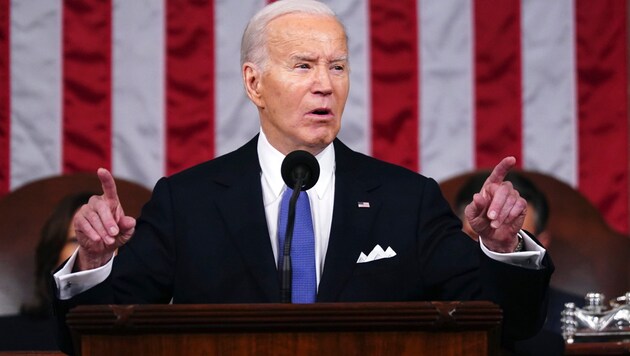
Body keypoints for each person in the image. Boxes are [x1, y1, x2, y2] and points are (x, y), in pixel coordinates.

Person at [52, 0, 553, 353]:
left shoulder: (407, 199)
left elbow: (510, 327)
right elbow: (95, 339)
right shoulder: (188, 201)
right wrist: (95, 261)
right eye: (303, 65)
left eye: (337, 67)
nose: (324, 85)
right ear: (254, 83)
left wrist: (502, 250)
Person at [455, 171, 583, 355]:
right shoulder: (430, 313)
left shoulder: (579, 319)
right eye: (478, 235)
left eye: (510, 238)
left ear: (540, 244)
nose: (491, 249)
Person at [0, 192, 93, 351]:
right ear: (53, 258)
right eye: (76, 240)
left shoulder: (144, 335)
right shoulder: (6, 337)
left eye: (105, 238)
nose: (95, 248)